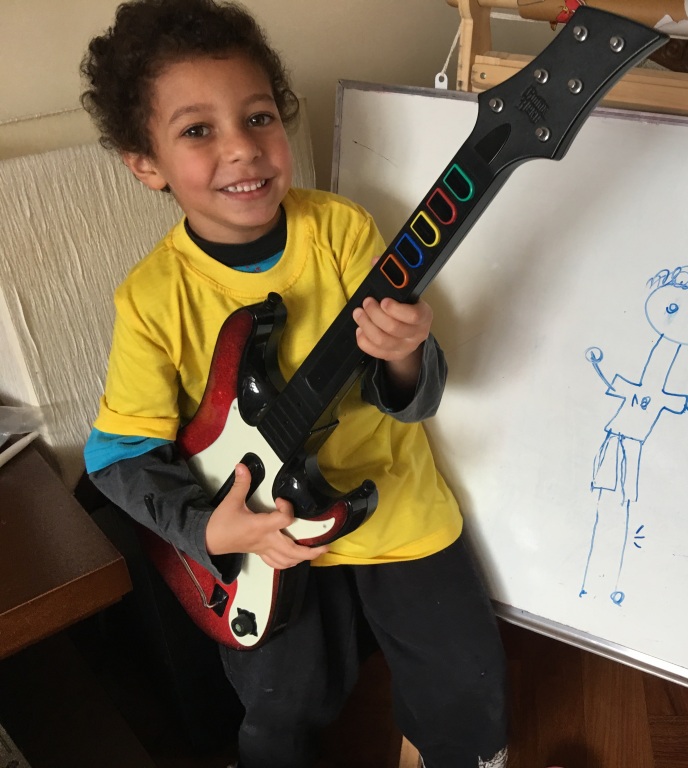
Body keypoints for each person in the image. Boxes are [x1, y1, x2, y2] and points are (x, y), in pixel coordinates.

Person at [79, 1, 508, 766]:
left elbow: (413, 394)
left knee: (465, 689)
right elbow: (116, 456)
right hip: (262, 543)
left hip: (390, 501)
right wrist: (210, 532)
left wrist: (406, 352)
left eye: (259, 117)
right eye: (198, 131)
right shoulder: (150, 300)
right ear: (145, 164)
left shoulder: (341, 230)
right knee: (280, 710)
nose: (243, 149)